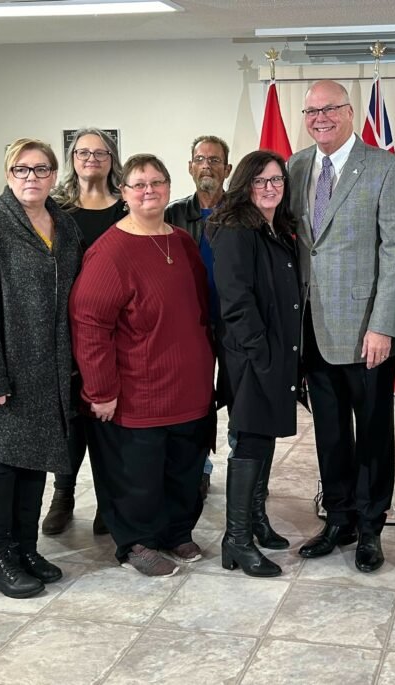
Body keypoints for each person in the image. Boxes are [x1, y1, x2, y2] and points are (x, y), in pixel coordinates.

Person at [0, 138, 81, 599]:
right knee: (2, 464)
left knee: (35, 463)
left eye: (41, 170)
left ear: (53, 175)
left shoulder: (63, 224)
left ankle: (25, 547)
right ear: (8, 174)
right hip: (3, 369)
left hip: (48, 368)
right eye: (22, 170)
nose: (31, 178)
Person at [288, 79, 395, 572]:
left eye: (330, 109)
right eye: (312, 111)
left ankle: (371, 526)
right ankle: (338, 518)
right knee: (330, 433)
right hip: (313, 329)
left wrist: (383, 325)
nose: (320, 118)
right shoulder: (296, 167)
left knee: (374, 433)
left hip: (366, 331)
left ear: (350, 112)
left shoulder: (384, 168)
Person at [70, 153, 215, 577]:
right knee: (138, 474)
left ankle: (176, 530)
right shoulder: (109, 252)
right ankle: (136, 541)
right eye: (138, 184)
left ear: (169, 188)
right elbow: (89, 325)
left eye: (157, 182)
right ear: (123, 193)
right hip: (137, 391)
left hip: (188, 386)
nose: (148, 190)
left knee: (184, 466)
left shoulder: (183, 242)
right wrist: (101, 391)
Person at [210, 150, 301, 577]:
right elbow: (236, 301)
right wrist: (261, 353)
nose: (270, 188)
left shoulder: (276, 227)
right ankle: (237, 539)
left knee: (264, 438)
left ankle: (257, 520)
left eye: (277, 180)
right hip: (250, 356)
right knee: (248, 440)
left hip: (276, 352)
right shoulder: (234, 230)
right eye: (261, 181)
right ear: (245, 185)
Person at [42, 127, 126, 536]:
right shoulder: (54, 210)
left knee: (108, 417)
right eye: (82, 152)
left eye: (100, 152)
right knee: (70, 420)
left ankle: (108, 500)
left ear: (112, 159)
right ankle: (63, 494)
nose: (91, 158)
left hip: (115, 331)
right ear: (72, 160)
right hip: (63, 329)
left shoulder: (125, 209)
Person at [166, 134, 234, 500]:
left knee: (239, 396)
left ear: (227, 168)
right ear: (190, 166)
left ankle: (244, 467)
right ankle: (200, 468)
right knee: (196, 400)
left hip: (234, 323)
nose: (206, 165)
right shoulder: (172, 214)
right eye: (200, 159)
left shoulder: (243, 213)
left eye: (214, 159)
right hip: (190, 325)